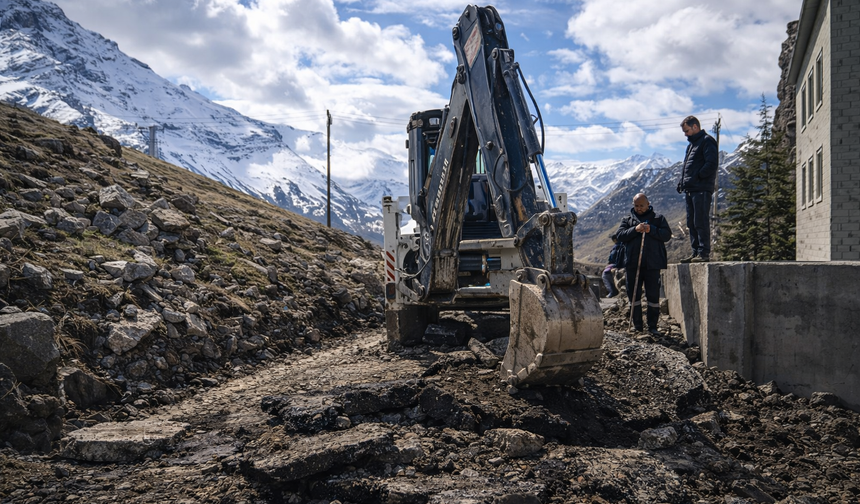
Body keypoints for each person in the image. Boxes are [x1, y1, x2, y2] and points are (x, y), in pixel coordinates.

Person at [616, 193, 672, 335]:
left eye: (641, 205)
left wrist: (651, 230)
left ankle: (652, 326)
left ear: (648, 204)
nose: (639, 208)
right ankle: (637, 325)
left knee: (653, 296)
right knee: (633, 295)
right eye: (636, 205)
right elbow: (620, 236)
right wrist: (635, 229)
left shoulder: (658, 219)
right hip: (633, 264)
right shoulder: (627, 220)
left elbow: (666, 235)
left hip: (653, 263)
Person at [677, 115, 718, 263]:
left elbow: (711, 163)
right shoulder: (691, 145)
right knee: (691, 222)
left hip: (701, 188)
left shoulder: (707, 141)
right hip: (691, 189)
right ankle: (695, 252)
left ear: (695, 127)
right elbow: (688, 166)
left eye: (687, 130)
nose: (685, 134)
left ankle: (703, 253)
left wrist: (698, 177)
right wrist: (683, 181)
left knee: (700, 220)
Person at [602, 233, 623, 298]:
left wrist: (610, 263)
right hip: (622, 264)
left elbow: (612, 257)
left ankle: (612, 291)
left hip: (617, 265)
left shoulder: (617, 247)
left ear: (615, 240)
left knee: (605, 274)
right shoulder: (624, 245)